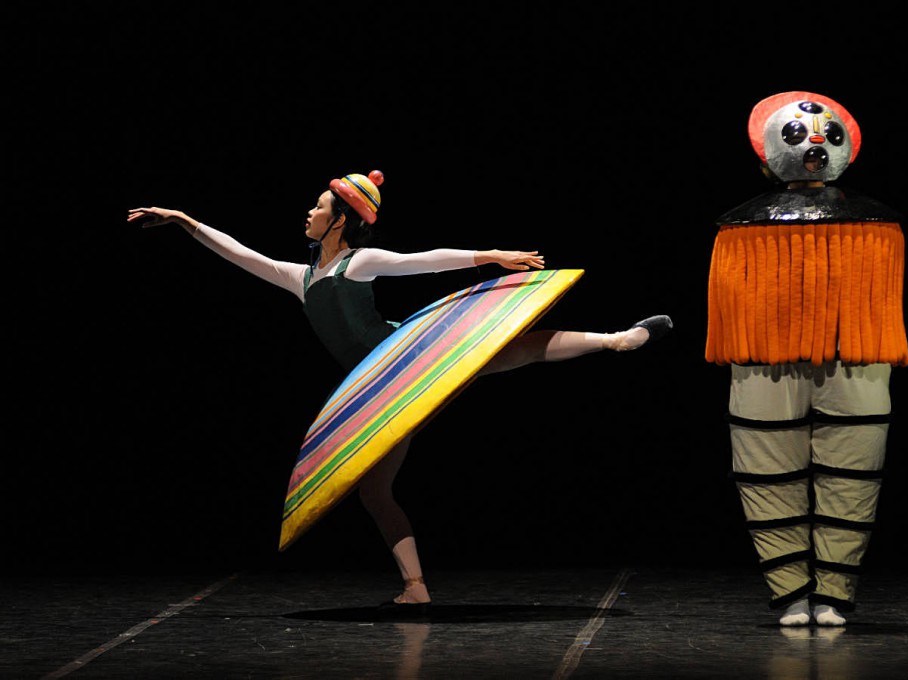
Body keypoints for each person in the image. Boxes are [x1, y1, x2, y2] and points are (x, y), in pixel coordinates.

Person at [129, 169, 673, 613]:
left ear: (339, 220)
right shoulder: (301, 279)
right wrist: (184, 221)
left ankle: (617, 339)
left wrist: (491, 257)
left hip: (408, 360)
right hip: (375, 395)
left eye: (318, 207)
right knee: (375, 492)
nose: (309, 212)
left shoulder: (357, 263)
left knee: (512, 348)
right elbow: (240, 255)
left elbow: (425, 260)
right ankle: (415, 587)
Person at [704, 93, 908, 627]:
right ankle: (792, 591)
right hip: (766, 355)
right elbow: (731, 304)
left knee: (851, 468)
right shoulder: (739, 228)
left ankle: (834, 591)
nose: (814, 146)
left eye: (825, 137)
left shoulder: (878, 224)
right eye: (798, 138)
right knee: (769, 468)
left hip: (854, 351)